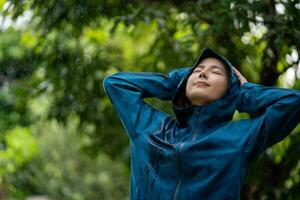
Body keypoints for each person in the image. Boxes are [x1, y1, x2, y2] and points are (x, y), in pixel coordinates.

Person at [103, 48, 300, 200]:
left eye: (215, 72)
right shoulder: (149, 127)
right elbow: (116, 84)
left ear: (230, 90)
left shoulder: (241, 137)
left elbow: (293, 102)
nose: (202, 74)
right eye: (197, 71)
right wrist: (174, 83)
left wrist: (246, 92)